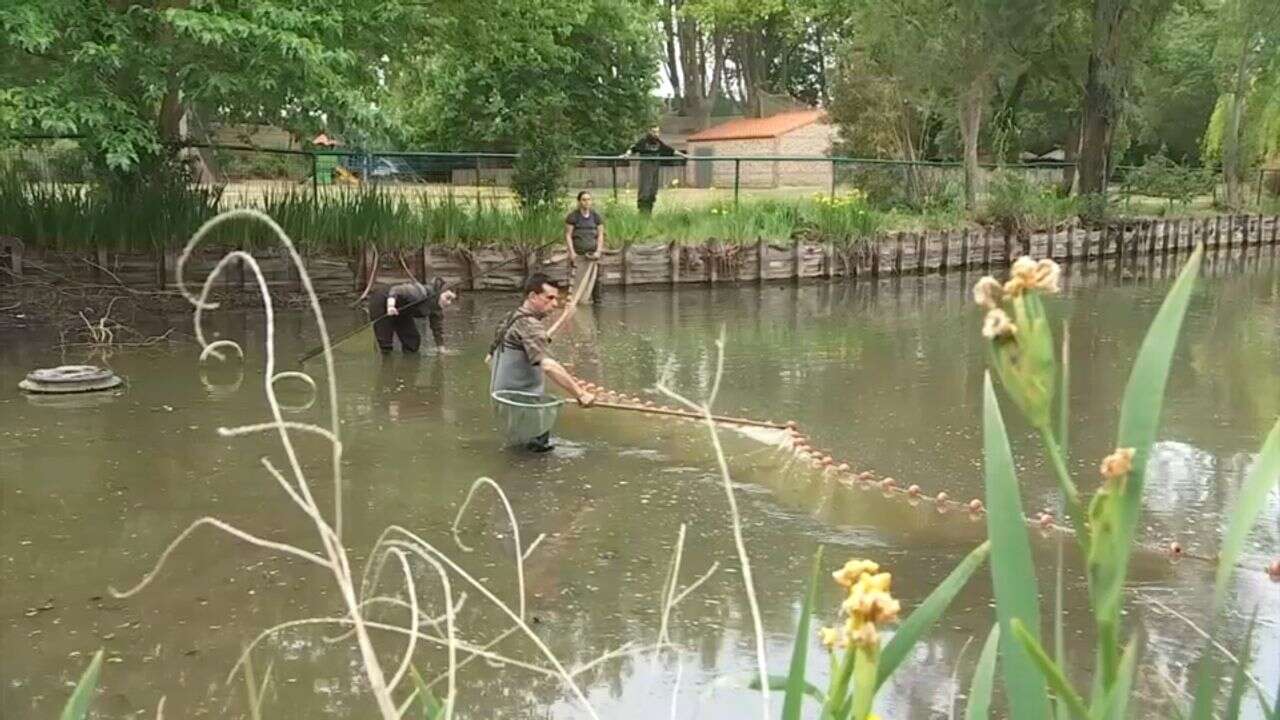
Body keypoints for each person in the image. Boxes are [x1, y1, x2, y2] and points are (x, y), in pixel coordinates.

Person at [488, 274, 595, 452]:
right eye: (550, 298)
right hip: (526, 408)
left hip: (506, 405)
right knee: (535, 461)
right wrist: (580, 394)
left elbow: (489, 360)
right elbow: (548, 365)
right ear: (532, 296)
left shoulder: (511, 318)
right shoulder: (530, 325)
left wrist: (563, 320)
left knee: (518, 456)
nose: (555, 304)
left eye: (557, 299)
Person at [368, 277, 457, 354]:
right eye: (447, 298)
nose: (448, 303)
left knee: (413, 343)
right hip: (382, 302)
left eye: (452, 300)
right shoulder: (419, 292)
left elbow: (437, 329)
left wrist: (441, 349)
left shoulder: (436, 309)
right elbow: (395, 290)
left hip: (402, 312)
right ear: (439, 293)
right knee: (386, 345)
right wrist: (390, 306)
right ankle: (386, 366)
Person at [625, 126, 683, 214]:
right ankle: (642, 212)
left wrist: (683, 155)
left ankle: (649, 211)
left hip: (655, 166)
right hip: (646, 166)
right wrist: (627, 154)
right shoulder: (643, 141)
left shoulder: (658, 143)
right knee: (645, 189)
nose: (656, 134)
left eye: (657, 132)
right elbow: (633, 148)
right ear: (649, 132)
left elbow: (669, 149)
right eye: (654, 132)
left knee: (653, 190)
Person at [564, 191, 605, 304]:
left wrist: (598, 251)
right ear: (579, 202)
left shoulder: (596, 217)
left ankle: (597, 303)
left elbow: (600, 235)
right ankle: (577, 302)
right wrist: (572, 252)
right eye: (584, 200)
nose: (587, 202)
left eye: (589, 199)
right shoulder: (573, 217)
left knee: (597, 280)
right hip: (579, 255)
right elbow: (568, 235)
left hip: (593, 255)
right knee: (577, 280)